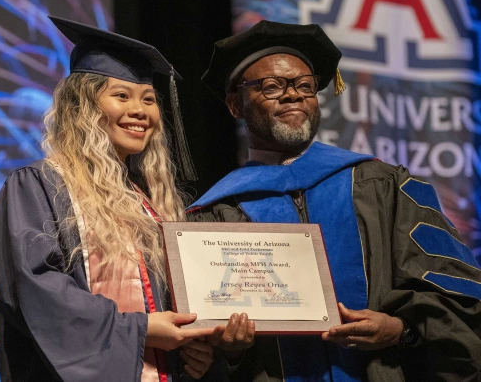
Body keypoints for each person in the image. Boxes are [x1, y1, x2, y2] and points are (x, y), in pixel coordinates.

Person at [187, 20, 481, 382]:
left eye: (304, 86)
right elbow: (196, 353)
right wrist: (229, 349)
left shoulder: (384, 186)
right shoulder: (214, 215)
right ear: (235, 105)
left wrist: (400, 327)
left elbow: (458, 298)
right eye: (272, 86)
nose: (293, 95)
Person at [0, 16, 224, 381]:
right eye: (121, 96)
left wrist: (192, 347)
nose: (139, 111)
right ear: (82, 106)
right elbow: (34, 291)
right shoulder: (40, 186)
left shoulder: (151, 202)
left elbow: (167, 305)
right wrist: (140, 330)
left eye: (148, 99)